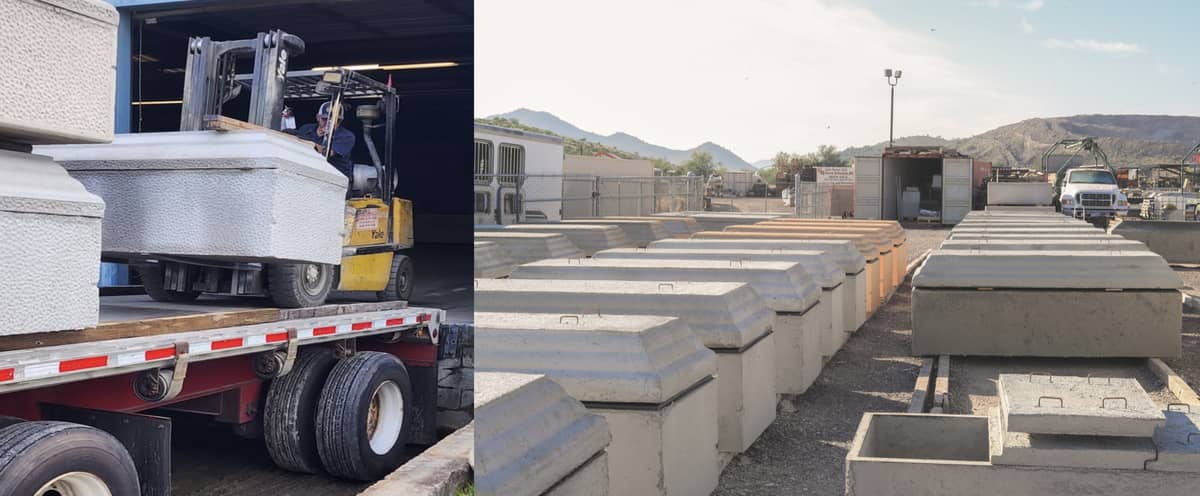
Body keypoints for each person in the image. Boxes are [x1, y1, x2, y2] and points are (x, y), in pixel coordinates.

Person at [290, 101, 356, 177]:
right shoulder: (306, 128)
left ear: (341, 121)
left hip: (335, 177)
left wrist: (301, 141)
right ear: (318, 117)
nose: (329, 123)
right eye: (325, 119)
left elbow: (327, 152)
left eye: (335, 121)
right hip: (307, 172)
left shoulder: (346, 136)